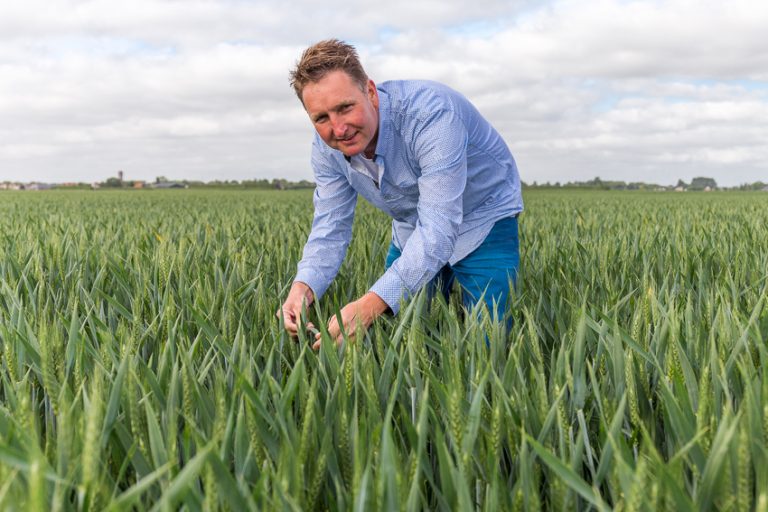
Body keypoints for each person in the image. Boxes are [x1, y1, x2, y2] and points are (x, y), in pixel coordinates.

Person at [277, 39, 523, 349]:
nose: (338, 129)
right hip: (411, 222)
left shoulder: (432, 116)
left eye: (345, 108)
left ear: (370, 92)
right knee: (402, 337)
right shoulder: (327, 149)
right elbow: (330, 226)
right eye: (322, 118)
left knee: (488, 342)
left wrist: (368, 305)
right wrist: (302, 289)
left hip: (483, 215)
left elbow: (438, 230)